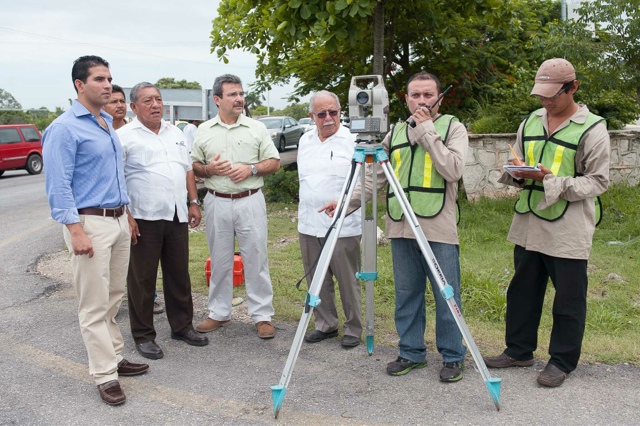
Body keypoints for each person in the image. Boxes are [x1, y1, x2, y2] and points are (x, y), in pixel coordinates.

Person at [322, 71, 468, 382]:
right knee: (407, 293)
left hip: (438, 225)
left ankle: (453, 356)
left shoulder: (452, 127)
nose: (422, 100)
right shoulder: (396, 133)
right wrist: (345, 203)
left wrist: (427, 130)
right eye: (416, 95)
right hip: (401, 226)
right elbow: (375, 180)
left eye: (428, 94)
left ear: (440, 97)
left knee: (447, 294)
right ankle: (411, 351)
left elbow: (453, 169)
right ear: (405, 98)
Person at [483, 58, 610, 387]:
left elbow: (597, 182)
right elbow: (521, 160)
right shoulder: (531, 121)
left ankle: (562, 361)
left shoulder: (593, 128)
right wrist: (516, 170)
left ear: (573, 88)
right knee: (522, 291)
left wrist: (553, 180)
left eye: (552, 95)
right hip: (528, 221)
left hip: (568, 225)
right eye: (541, 95)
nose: (545, 101)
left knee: (569, 297)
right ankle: (519, 350)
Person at [42, 55, 148, 406]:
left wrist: (128, 214)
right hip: (89, 223)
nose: (107, 85)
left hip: (117, 220)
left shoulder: (105, 122)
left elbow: (113, 176)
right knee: (92, 303)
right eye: (100, 79)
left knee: (113, 295)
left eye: (109, 79)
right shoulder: (65, 128)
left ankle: (115, 356)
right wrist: (75, 230)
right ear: (79, 85)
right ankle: (105, 375)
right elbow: (58, 186)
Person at [117, 82, 208, 360]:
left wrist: (193, 202)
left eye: (158, 99)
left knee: (179, 275)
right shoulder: (123, 136)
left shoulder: (176, 133)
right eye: (147, 101)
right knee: (142, 280)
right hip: (144, 218)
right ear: (134, 107)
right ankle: (144, 336)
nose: (155, 105)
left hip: (177, 214)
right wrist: (127, 216)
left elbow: (187, 170)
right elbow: (116, 179)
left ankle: (182, 326)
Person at [191, 74, 280, 339]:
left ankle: (262, 315)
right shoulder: (204, 130)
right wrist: (208, 169)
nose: (239, 99)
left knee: (256, 258)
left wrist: (251, 168)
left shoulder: (256, 128)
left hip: (249, 200)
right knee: (219, 260)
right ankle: (218, 313)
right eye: (232, 95)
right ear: (217, 99)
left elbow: (274, 162)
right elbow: (194, 165)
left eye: (241, 94)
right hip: (217, 201)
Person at [297, 90, 362, 348]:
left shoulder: (353, 140)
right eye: (321, 113)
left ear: (340, 112)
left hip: (343, 224)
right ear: (312, 116)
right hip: (309, 223)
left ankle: (354, 329)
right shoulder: (305, 141)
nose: (328, 118)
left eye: (333, 112)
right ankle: (325, 324)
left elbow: (365, 182)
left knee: (348, 279)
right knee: (317, 280)